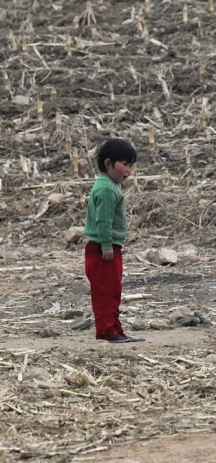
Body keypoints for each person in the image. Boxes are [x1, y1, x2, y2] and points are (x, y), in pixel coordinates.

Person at [84, 138, 141, 343]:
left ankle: (115, 329)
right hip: (102, 249)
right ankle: (107, 331)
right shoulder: (107, 189)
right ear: (109, 163)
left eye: (130, 165)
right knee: (105, 292)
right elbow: (103, 220)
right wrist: (106, 245)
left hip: (107, 248)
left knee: (113, 290)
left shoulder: (109, 185)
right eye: (124, 164)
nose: (128, 170)